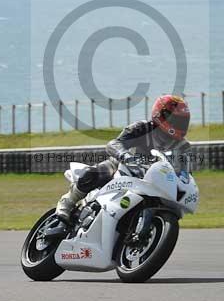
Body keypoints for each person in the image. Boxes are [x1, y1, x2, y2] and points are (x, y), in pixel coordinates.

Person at [55, 94, 192, 223]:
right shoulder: (142, 128)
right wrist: (126, 156)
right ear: (161, 115)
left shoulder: (182, 146)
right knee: (99, 171)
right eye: (175, 120)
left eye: (182, 121)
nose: (179, 124)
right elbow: (114, 144)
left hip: (152, 180)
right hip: (123, 166)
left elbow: (184, 172)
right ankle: (67, 202)